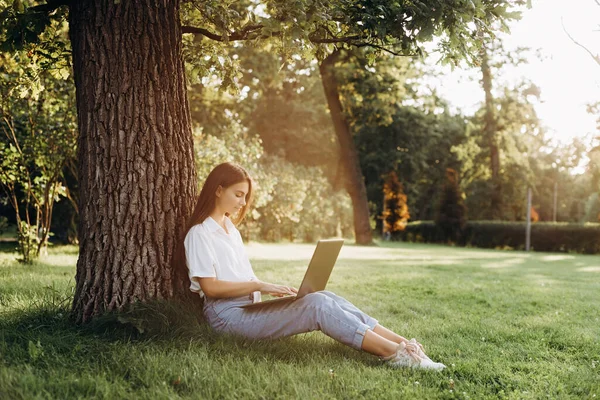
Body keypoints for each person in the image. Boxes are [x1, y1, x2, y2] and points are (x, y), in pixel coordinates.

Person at [182, 162, 445, 370]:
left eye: (245, 196)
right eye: (238, 194)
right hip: (226, 317)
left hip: (249, 307)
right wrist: (260, 285)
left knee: (323, 297)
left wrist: (265, 295)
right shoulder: (200, 234)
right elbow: (211, 288)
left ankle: (405, 345)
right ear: (218, 189)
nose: (242, 202)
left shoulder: (230, 230)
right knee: (316, 306)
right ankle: (395, 355)